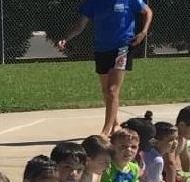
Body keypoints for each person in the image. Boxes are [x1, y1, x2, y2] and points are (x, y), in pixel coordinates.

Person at [56, 0, 153, 137]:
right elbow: (80, 24)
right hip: (101, 49)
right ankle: (115, 125)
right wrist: (66, 38)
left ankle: (105, 132)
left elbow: (147, 11)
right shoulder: (93, 3)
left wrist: (143, 32)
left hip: (123, 46)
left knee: (112, 90)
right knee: (106, 90)